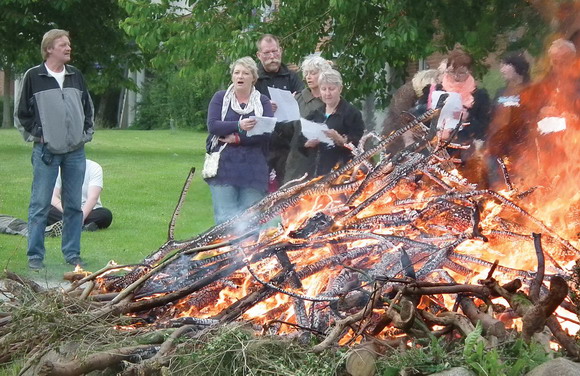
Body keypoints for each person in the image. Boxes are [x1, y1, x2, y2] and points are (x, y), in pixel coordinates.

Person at [14, 29, 94, 270]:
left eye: (68, 44)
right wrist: (39, 137)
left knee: (73, 206)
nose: (68, 48)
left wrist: (85, 134)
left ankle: (72, 254)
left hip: (75, 152)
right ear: (49, 49)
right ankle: (35, 256)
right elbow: (21, 115)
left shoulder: (76, 75)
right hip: (46, 152)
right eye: (62, 45)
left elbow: (87, 107)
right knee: (40, 205)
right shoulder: (33, 76)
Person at [204, 57, 274, 224]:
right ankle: (226, 250)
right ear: (232, 76)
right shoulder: (220, 98)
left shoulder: (263, 101)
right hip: (224, 167)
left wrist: (237, 137)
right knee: (224, 217)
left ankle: (248, 250)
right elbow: (213, 126)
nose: (240, 76)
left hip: (254, 168)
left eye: (245, 73)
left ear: (253, 78)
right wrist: (239, 124)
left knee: (250, 219)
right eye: (236, 73)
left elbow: (266, 131)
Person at [283, 69, 365, 183]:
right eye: (323, 89)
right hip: (314, 174)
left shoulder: (351, 113)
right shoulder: (315, 114)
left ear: (340, 89)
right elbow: (298, 141)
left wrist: (341, 140)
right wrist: (306, 144)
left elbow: (360, 142)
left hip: (341, 173)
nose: (327, 93)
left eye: (331, 89)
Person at [254, 34, 304, 187]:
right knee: (259, 191)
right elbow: (241, 105)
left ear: (281, 51)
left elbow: (305, 101)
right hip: (260, 144)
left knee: (287, 189)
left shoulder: (292, 77)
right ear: (259, 55)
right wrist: (262, 105)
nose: (272, 56)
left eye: (275, 52)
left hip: (287, 144)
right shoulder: (253, 78)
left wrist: (296, 101)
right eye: (267, 53)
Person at [485, 52, 530, 188]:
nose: (502, 69)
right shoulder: (500, 92)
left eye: (506, 65)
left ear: (517, 68)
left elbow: (531, 116)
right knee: (496, 180)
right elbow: (491, 116)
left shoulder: (530, 90)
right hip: (497, 144)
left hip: (519, 144)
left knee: (517, 180)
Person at [48, 159, 113, 231]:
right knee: (45, 210)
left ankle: (65, 225)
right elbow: (53, 197)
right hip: (65, 210)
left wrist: (81, 217)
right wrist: (67, 212)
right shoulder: (59, 168)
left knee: (105, 215)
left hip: (89, 211)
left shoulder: (94, 167)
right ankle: (82, 227)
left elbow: (93, 197)